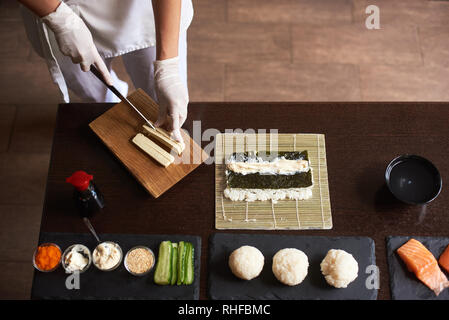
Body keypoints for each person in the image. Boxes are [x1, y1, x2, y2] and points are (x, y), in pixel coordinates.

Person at [18, 0, 192, 142]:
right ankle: (112, 103)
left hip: (146, 11)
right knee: (93, 92)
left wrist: (167, 66)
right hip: (62, 10)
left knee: (165, 101)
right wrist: (59, 19)